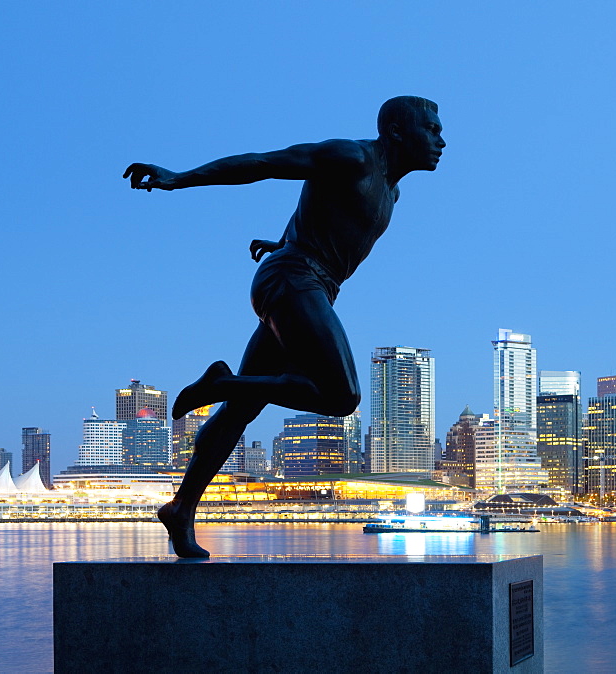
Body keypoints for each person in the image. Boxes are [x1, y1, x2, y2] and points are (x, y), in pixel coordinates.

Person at [123, 96, 445, 557]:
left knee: (238, 412)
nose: (441, 140)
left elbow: (322, 222)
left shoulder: (392, 192)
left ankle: (180, 509)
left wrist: (284, 239)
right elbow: (264, 163)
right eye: (431, 129)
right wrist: (179, 179)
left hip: (306, 282)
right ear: (396, 131)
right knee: (342, 396)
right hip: (293, 280)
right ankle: (224, 381)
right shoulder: (352, 157)